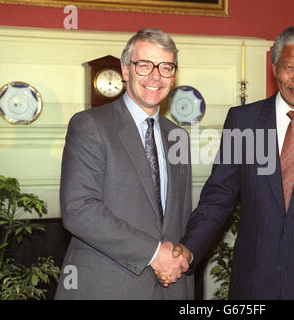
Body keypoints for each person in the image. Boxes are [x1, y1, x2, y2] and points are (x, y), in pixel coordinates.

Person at [169, 25, 294, 299]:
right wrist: (188, 249)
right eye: (289, 67)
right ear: (274, 68)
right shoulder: (243, 121)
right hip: (253, 286)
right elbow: (218, 196)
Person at [55, 28, 193, 300]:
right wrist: (154, 254)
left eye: (166, 67)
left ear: (173, 76)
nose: (155, 76)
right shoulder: (90, 126)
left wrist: (180, 258)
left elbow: (182, 218)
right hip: (106, 287)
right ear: (126, 70)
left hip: (170, 288)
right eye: (144, 65)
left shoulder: (179, 137)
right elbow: (78, 209)